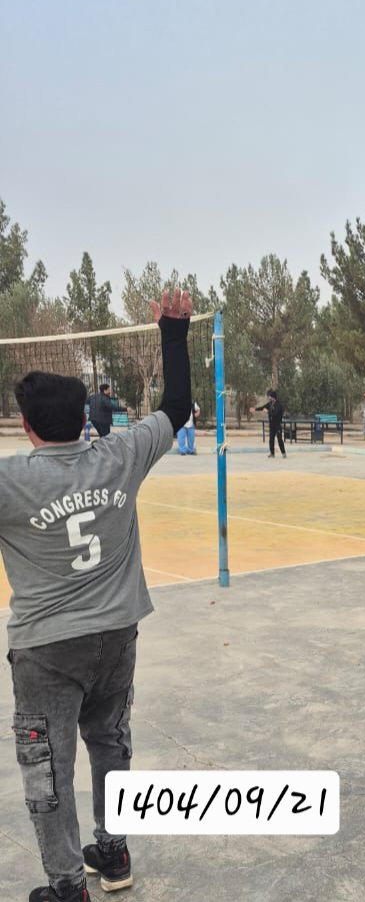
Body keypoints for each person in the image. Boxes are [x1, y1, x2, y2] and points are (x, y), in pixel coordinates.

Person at [0, 289, 192, 902]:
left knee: (48, 767)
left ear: (27, 426)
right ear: (85, 417)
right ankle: (113, 851)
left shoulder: (10, 481)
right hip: (116, 636)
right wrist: (174, 333)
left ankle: (66, 886)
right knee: (110, 743)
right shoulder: (121, 455)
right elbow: (178, 406)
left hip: (48, 651)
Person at [250, 389, 286, 458]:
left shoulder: (279, 404)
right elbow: (263, 407)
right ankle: (272, 453)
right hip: (272, 424)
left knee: (279, 439)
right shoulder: (270, 404)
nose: (269, 398)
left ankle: (283, 453)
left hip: (277, 424)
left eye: (270, 396)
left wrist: (268, 411)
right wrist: (255, 409)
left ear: (273, 397)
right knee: (271, 439)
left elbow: (275, 413)